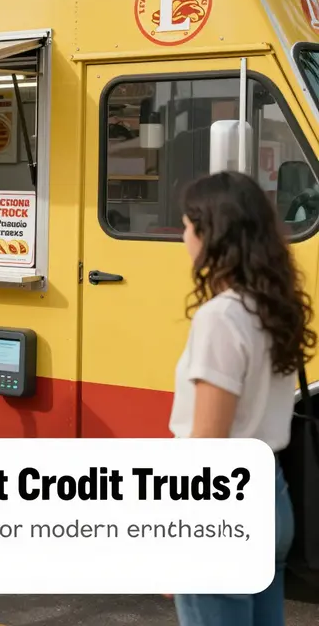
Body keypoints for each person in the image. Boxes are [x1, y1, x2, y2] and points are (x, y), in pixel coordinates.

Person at [169, 171, 316, 626]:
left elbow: (210, 444)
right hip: (271, 497)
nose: (183, 236)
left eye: (188, 225)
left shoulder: (221, 317)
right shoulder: (273, 309)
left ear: (211, 233)